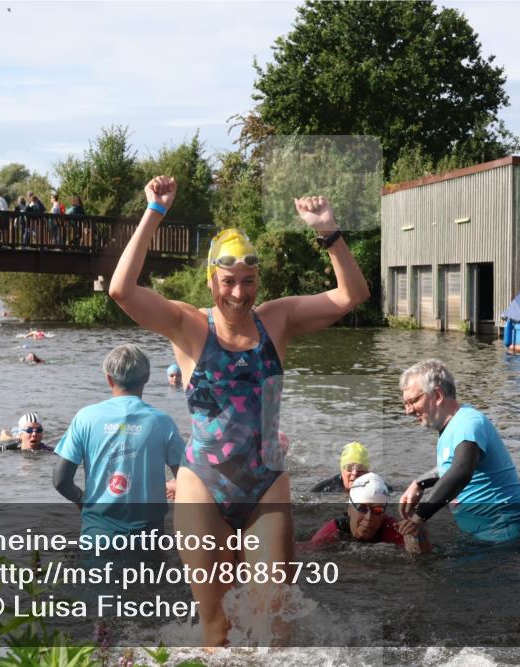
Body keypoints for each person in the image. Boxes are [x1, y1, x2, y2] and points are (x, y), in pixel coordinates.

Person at [108, 175, 369, 645]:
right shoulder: (188, 326)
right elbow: (121, 291)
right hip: (202, 486)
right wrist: (154, 212)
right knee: (218, 627)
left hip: (266, 481)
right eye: (228, 281)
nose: (238, 292)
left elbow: (352, 296)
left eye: (248, 281)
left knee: (276, 621)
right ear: (212, 279)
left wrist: (328, 233)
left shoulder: (278, 319)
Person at [396, 359, 520, 545]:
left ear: (437, 395)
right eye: (405, 404)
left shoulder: (468, 423)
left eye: (413, 401)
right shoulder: (453, 426)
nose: (408, 411)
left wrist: (419, 517)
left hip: (505, 534)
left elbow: (461, 471)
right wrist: (419, 483)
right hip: (486, 534)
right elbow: (450, 466)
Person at [52, 344, 184, 538]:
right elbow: (189, 479)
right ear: (147, 377)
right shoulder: (162, 422)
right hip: (148, 536)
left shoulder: (85, 418)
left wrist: (81, 500)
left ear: (108, 379)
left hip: (97, 533)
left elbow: (60, 480)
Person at [303, 473, 429, 554]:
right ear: (350, 508)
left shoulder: (392, 529)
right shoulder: (334, 531)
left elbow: (424, 557)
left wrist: (417, 536)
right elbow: (303, 553)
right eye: (362, 508)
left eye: (378, 510)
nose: (369, 518)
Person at [308, 441, 396, 493]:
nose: (355, 473)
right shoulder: (324, 488)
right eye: (349, 468)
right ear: (342, 469)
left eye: (360, 468)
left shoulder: (379, 486)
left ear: (368, 471)